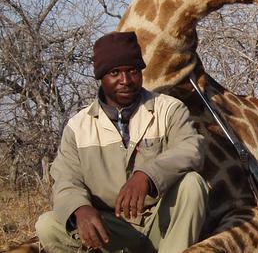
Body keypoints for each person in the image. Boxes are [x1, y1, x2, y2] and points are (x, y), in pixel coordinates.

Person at [35, 31, 209, 253]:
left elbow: (191, 148)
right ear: (101, 77)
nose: (125, 81)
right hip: (111, 229)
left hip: (160, 222)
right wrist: (79, 209)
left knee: (192, 184)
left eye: (133, 71)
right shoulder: (78, 127)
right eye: (115, 72)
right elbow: (66, 180)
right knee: (48, 225)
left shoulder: (169, 109)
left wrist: (147, 175)